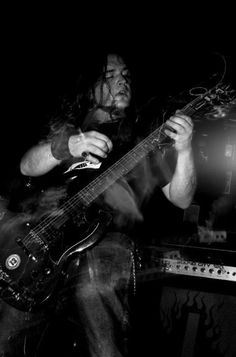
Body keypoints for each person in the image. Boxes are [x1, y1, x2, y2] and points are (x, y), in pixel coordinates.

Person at [0, 51, 196, 356]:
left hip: (106, 242)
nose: (122, 81)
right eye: (110, 76)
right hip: (46, 247)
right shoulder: (69, 129)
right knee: (6, 335)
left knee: (98, 281)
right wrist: (69, 145)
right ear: (90, 88)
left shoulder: (143, 139)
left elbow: (181, 197)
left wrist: (184, 150)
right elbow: (26, 166)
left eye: (127, 75)